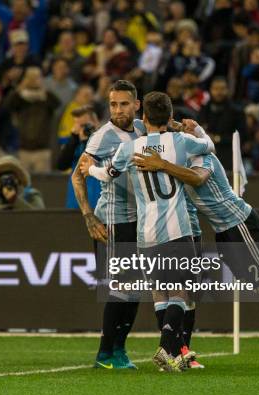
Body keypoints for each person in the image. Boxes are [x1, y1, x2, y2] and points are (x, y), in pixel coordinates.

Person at [133, 139, 259, 371]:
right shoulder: (179, 160)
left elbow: (197, 178)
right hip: (224, 232)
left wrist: (162, 163)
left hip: (240, 224)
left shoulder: (203, 156)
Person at [81, 92, 215, 372]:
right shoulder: (181, 142)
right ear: (169, 117)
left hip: (146, 231)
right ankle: (167, 346)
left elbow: (108, 175)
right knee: (181, 291)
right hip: (177, 228)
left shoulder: (132, 148)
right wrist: (197, 129)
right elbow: (209, 147)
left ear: (143, 118)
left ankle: (168, 353)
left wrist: (90, 169)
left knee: (158, 292)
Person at [70, 80, 146, 371]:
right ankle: (105, 353)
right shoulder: (102, 138)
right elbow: (78, 176)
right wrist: (88, 217)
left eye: (124, 104)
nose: (118, 110)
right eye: (113, 104)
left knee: (135, 287)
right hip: (114, 219)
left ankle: (119, 349)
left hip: (139, 220)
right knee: (122, 287)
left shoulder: (142, 130)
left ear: (136, 105)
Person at [57, 105, 101, 210]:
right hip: (75, 204)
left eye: (86, 125)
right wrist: (74, 137)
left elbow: (93, 156)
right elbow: (61, 165)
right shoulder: (74, 142)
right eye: (79, 126)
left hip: (98, 206)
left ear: (96, 123)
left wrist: (89, 138)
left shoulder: (105, 141)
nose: (83, 130)